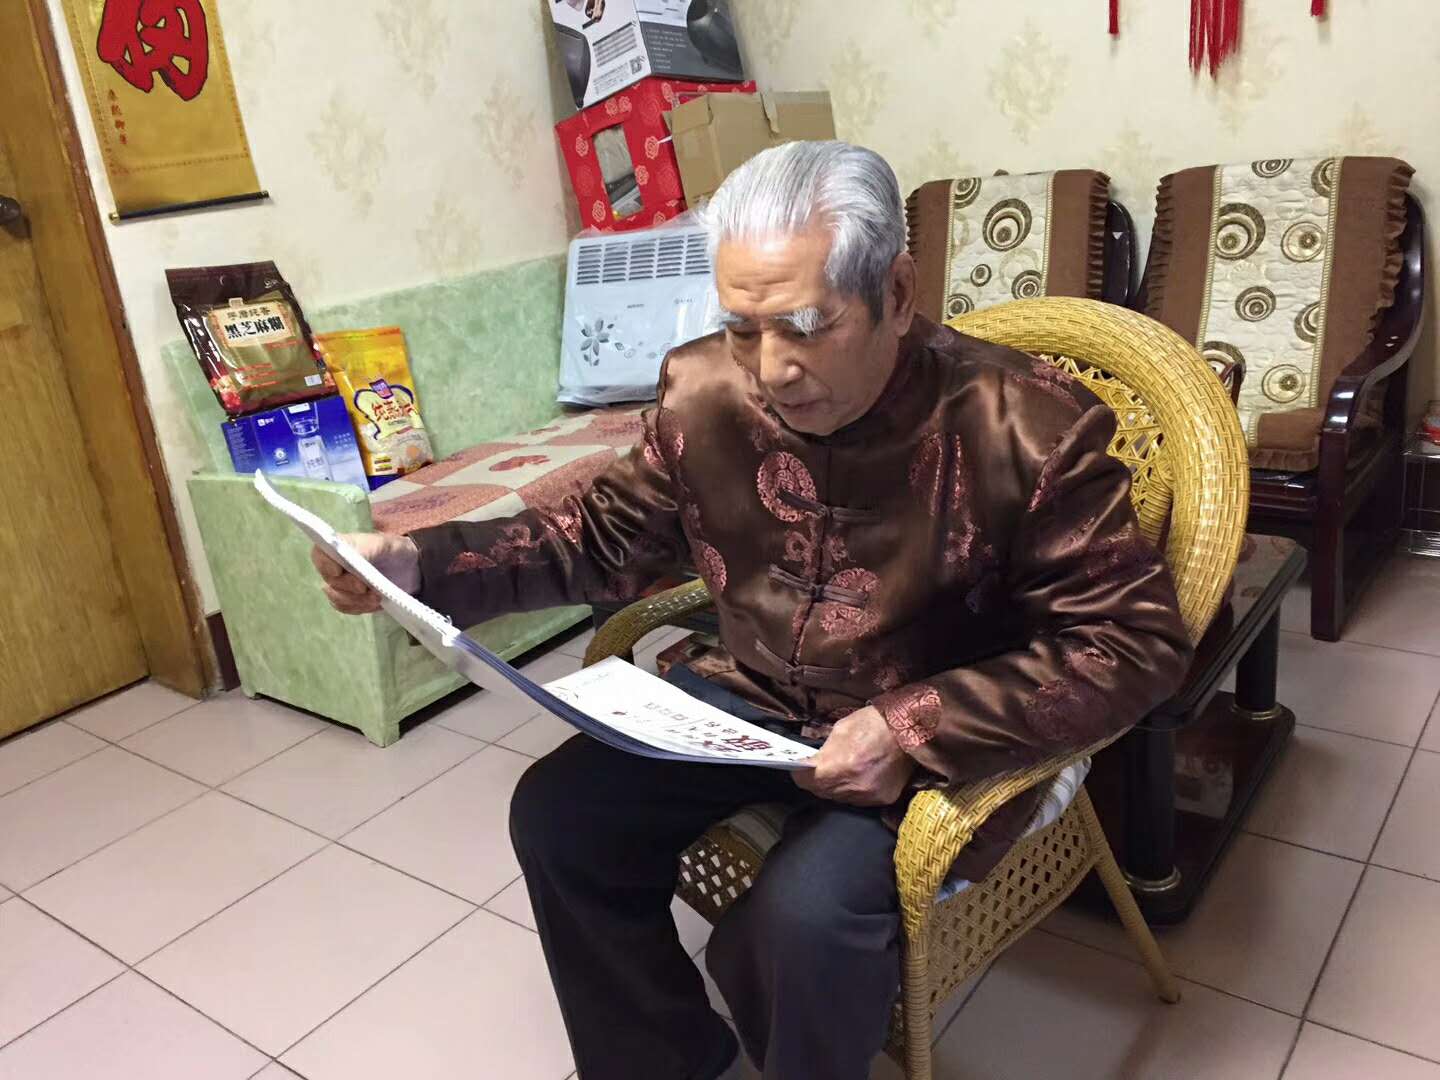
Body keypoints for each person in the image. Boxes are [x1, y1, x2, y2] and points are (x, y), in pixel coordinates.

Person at [312, 141, 1194, 1080]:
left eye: (806, 326)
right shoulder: (704, 394)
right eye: (742, 327)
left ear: (897, 293)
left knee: (802, 919)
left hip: (933, 728)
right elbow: (601, 537)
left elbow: (1132, 641)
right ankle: (665, 1060)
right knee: (560, 816)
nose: (771, 370)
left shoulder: (1027, 428)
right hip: (752, 698)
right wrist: (419, 561)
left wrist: (910, 727)